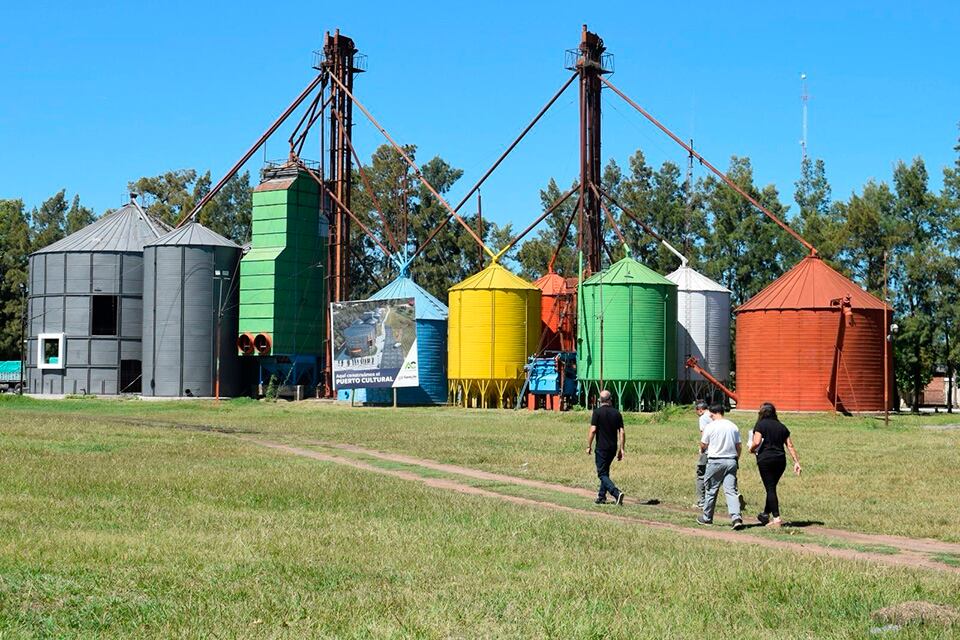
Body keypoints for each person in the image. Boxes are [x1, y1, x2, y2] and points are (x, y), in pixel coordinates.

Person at [749, 402, 802, 527]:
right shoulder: (781, 426)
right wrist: (796, 462)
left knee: (770, 488)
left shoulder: (760, 425)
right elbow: (790, 445)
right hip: (780, 460)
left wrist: (751, 449)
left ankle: (777, 519)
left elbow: (756, 442)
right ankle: (765, 514)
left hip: (765, 459)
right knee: (771, 487)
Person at [698, 403, 743, 529]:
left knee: (711, 489)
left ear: (712, 413)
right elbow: (738, 446)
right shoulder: (733, 426)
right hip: (731, 461)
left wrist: (702, 450)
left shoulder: (710, 426)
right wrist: (736, 458)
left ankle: (707, 517)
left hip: (716, 461)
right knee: (731, 491)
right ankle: (736, 518)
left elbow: (703, 444)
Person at [586, 390, 626, 505]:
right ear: (610, 399)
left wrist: (589, 446)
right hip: (612, 448)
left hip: (601, 448)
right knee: (605, 471)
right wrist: (621, 449)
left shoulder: (597, 412)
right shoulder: (617, 413)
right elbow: (622, 432)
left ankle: (616, 493)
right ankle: (601, 496)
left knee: (601, 474)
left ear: (600, 400)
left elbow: (593, 430)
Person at [694, 400, 711, 508]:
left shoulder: (703, 418)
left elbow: (704, 435)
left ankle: (701, 501)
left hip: (708, 450)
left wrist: (702, 449)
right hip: (721, 450)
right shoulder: (714, 415)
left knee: (701, 474)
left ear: (700, 410)